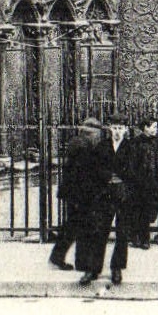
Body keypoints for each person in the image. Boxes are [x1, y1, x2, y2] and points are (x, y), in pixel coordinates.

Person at [49, 117, 114, 285]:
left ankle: (58, 256)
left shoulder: (78, 142)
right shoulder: (84, 146)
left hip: (74, 191)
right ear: (92, 132)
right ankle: (76, 261)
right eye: (98, 132)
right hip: (80, 192)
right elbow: (82, 172)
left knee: (72, 225)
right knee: (80, 226)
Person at [128, 114, 158, 247]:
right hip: (138, 182)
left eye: (156, 127)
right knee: (137, 209)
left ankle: (146, 238)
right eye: (153, 127)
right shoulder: (135, 142)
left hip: (154, 182)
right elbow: (131, 163)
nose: (156, 130)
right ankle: (137, 238)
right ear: (145, 128)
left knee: (150, 209)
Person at [105, 121, 132, 285]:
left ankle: (117, 268)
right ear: (109, 129)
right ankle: (92, 268)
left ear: (125, 130)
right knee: (100, 230)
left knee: (122, 231)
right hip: (105, 192)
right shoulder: (103, 145)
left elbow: (134, 169)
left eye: (120, 128)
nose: (117, 131)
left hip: (123, 192)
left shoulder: (131, 147)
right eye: (114, 128)